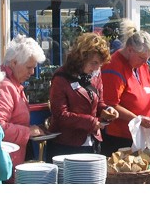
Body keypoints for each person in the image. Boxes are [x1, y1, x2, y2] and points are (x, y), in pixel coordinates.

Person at [46, 33, 119, 162]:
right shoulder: (61, 78)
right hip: (66, 144)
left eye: (100, 64)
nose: (96, 68)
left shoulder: (95, 75)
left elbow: (99, 103)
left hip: (92, 142)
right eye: (94, 63)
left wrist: (108, 110)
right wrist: (91, 122)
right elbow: (60, 115)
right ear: (81, 58)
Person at [100, 18, 150, 156]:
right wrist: (138, 119)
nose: (145, 63)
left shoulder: (143, 66)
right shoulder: (113, 66)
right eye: (142, 58)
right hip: (119, 136)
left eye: (147, 59)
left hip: (142, 134)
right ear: (130, 50)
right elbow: (110, 104)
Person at [0, 35, 46, 180]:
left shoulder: (12, 84)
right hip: (5, 162)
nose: (32, 72)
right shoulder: (5, 86)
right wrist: (28, 132)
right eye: (29, 67)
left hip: (10, 160)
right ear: (13, 63)